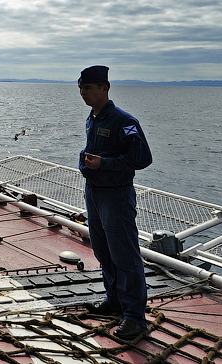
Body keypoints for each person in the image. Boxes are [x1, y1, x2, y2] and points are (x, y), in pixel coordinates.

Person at [78, 65, 152, 343]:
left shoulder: (124, 121)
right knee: (103, 250)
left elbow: (142, 159)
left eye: (88, 88)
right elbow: (91, 150)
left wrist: (105, 163)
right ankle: (115, 300)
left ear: (104, 88)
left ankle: (135, 318)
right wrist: (84, 161)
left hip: (116, 196)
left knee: (125, 255)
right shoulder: (93, 118)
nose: (83, 93)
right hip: (94, 193)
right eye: (80, 88)